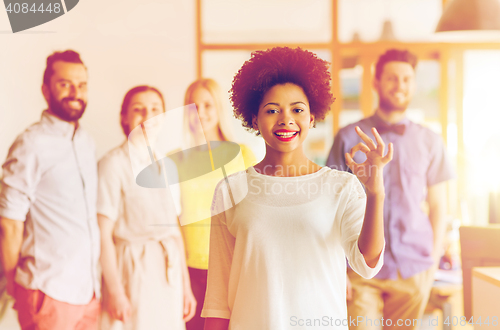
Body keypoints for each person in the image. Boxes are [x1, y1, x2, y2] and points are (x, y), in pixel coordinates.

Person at [202, 47, 393, 330]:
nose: (285, 119)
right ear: (254, 120)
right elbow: (218, 297)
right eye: (272, 110)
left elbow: (366, 263)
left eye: (297, 109)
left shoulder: (341, 186)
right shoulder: (230, 189)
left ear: (312, 118)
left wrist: (376, 193)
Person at [326, 49, 454, 329]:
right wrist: (339, 270)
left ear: (414, 84)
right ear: (376, 82)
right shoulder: (348, 137)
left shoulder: (431, 141)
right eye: (393, 78)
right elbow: (332, 208)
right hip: (360, 268)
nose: (400, 86)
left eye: (407, 79)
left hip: (413, 267)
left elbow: (438, 206)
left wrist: (432, 262)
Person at [0, 50, 101, 329]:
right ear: (46, 90)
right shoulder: (30, 144)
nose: (75, 92)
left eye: (81, 85)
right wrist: (13, 285)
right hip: (47, 292)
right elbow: (9, 224)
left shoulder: (86, 142)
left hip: (88, 294)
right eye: (65, 84)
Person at [98, 85, 196, 330]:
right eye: (138, 110)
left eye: (154, 109)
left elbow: (174, 231)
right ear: (125, 117)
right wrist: (116, 292)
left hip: (168, 272)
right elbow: (102, 235)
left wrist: (186, 287)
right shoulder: (113, 165)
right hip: (132, 271)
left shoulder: (167, 165)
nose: (147, 116)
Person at [170, 78, 256, 330]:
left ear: (219, 109)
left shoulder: (242, 155)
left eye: (207, 105)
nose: (200, 113)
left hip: (234, 268)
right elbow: (172, 218)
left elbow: (254, 214)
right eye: (192, 106)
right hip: (190, 271)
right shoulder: (175, 161)